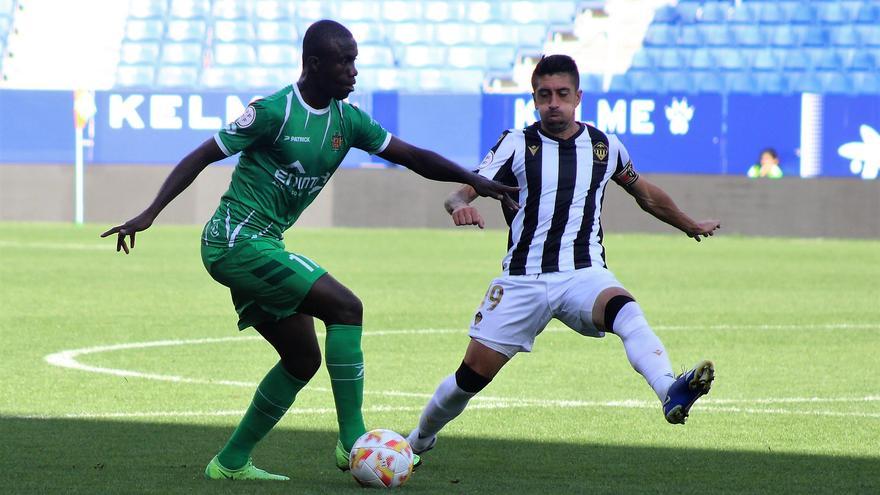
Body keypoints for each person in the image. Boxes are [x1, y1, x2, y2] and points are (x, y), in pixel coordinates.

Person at [101, 20, 518, 481]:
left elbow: (412, 156)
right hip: (235, 241)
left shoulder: (347, 119)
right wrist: (150, 212)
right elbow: (204, 154)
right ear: (315, 64)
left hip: (262, 245)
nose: (354, 72)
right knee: (346, 306)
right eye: (345, 62)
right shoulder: (273, 111)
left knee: (302, 359)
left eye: (355, 61)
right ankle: (352, 442)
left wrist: (476, 180)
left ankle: (231, 463)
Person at [406, 55, 721, 457]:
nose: (553, 102)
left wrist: (688, 223)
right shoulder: (516, 144)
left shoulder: (604, 146)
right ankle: (419, 439)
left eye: (562, 94)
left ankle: (669, 390)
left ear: (578, 97)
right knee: (470, 377)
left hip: (584, 272)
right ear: (534, 97)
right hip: (522, 278)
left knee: (626, 311)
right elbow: (461, 190)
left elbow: (644, 193)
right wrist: (458, 207)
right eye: (544, 95)